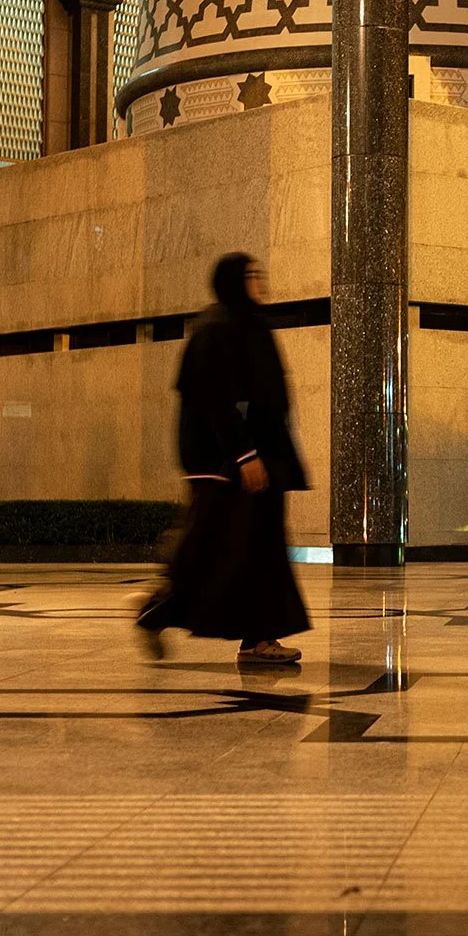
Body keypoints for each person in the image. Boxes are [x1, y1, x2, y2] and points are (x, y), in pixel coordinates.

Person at [138, 253, 310, 663]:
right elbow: (215, 401)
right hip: (227, 462)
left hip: (259, 459)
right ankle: (156, 611)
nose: (260, 281)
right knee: (215, 550)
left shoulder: (248, 325)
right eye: (251, 275)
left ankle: (257, 638)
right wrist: (244, 454)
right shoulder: (217, 329)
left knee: (257, 549)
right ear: (232, 281)